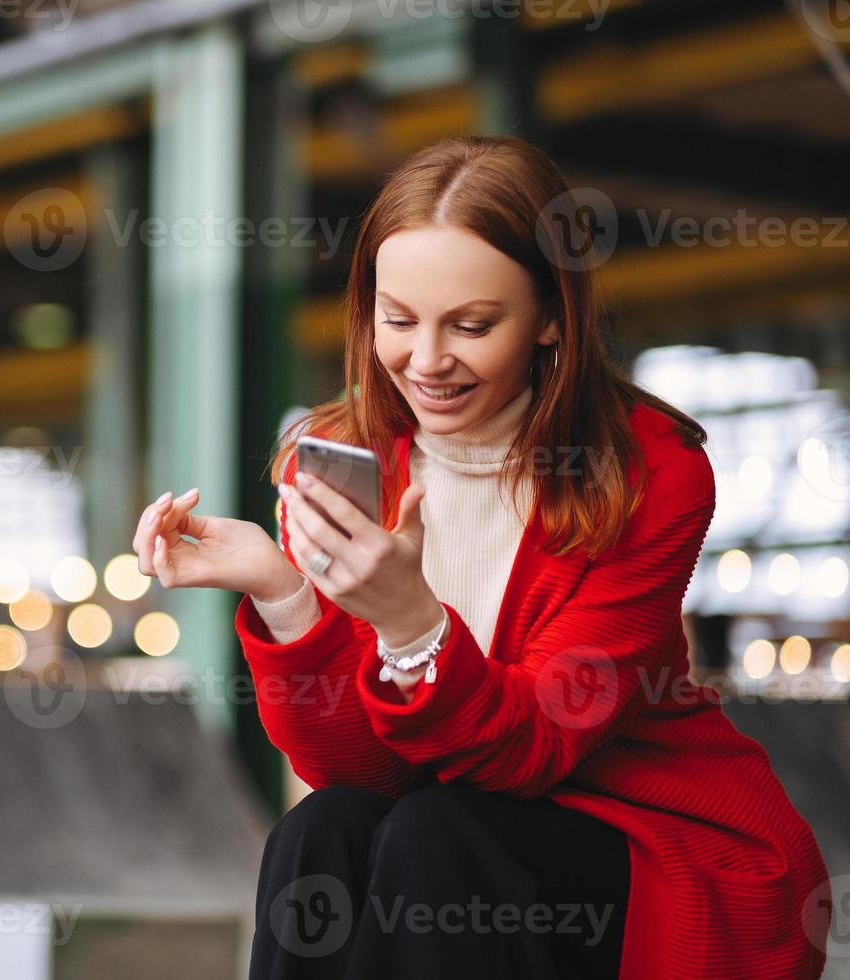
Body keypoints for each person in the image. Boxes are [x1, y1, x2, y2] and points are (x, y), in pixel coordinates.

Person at [131, 135, 831, 979]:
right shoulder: (337, 457)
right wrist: (286, 595)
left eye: (471, 326)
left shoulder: (648, 473)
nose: (425, 363)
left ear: (547, 318)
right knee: (323, 829)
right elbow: (361, 769)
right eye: (397, 321)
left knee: (437, 830)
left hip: (634, 838)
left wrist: (408, 622)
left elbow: (530, 750)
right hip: (444, 845)